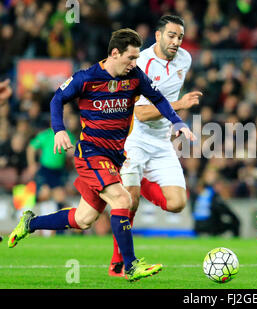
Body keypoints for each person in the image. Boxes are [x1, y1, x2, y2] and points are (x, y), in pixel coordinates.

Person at [8, 28, 199, 282]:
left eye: (136, 59)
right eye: (131, 58)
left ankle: (30, 223)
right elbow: (57, 99)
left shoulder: (134, 77)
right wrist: (59, 130)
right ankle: (129, 266)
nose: (135, 63)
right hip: (91, 153)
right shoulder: (87, 78)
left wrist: (177, 122)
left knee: (83, 219)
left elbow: (159, 99)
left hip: (115, 158)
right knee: (122, 200)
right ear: (114, 53)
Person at [108, 15, 202, 277]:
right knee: (130, 202)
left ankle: (137, 185)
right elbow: (141, 114)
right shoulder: (143, 63)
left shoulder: (185, 59)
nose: (176, 41)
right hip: (135, 138)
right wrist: (180, 106)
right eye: (171, 35)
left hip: (161, 142)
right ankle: (118, 263)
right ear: (158, 35)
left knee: (177, 203)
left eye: (180, 37)